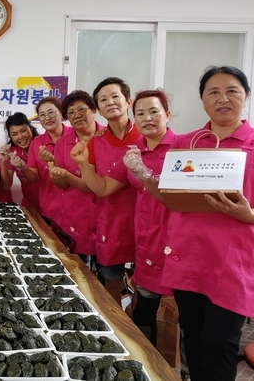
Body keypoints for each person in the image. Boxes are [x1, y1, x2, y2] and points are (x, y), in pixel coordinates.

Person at [130, 66, 254, 380]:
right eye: (213, 92)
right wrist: (143, 174)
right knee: (194, 339)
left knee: (220, 343)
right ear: (202, 100)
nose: (222, 98)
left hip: (232, 264)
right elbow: (169, 197)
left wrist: (249, 216)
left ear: (246, 97)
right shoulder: (186, 144)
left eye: (232, 91)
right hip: (188, 258)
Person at [71, 89, 176, 345]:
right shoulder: (127, 148)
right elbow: (104, 187)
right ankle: (125, 338)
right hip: (120, 225)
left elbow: (175, 199)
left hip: (166, 235)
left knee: (163, 301)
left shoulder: (178, 146)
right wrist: (84, 163)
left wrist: (143, 174)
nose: (147, 118)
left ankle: (156, 354)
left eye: (153, 112)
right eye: (142, 113)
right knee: (123, 286)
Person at [71, 77, 140, 306]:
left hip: (145, 222)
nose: (110, 102)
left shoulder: (144, 136)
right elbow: (96, 186)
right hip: (111, 221)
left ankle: (140, 329)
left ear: (128, 101)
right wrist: (82, 164)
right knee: (111, 281)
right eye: (103, 99)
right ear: (98, 109)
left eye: (115, 97)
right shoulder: (96, 142)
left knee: (145, 287)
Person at [46, 90, 103, 264]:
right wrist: (57, 175)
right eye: (70, 113)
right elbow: (62, 186)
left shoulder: (108, 138)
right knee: (79, 267)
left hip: (106, 213)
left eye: (81, 110)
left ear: (93, 110)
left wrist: (66, 175)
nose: (76, 115)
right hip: (76, 214)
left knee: (108, 271)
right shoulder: (63, 143)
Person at [24, 96, 73, 226]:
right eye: (42, 115)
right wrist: (21, 167)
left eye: (51, 112)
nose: (47, 118)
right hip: (50, 203)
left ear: (61, 113)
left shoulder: (75, 136)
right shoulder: (37, 143)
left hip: (76, 203)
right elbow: (33, 176)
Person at [0, 112, 40, 210]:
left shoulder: (43, 146)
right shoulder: (12, 151)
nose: (20, 137)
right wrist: (3, 162)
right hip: (30, 204)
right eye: (14, 134)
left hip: (52, 204)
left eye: (23, 130)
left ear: (31, 129)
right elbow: (6, 186)